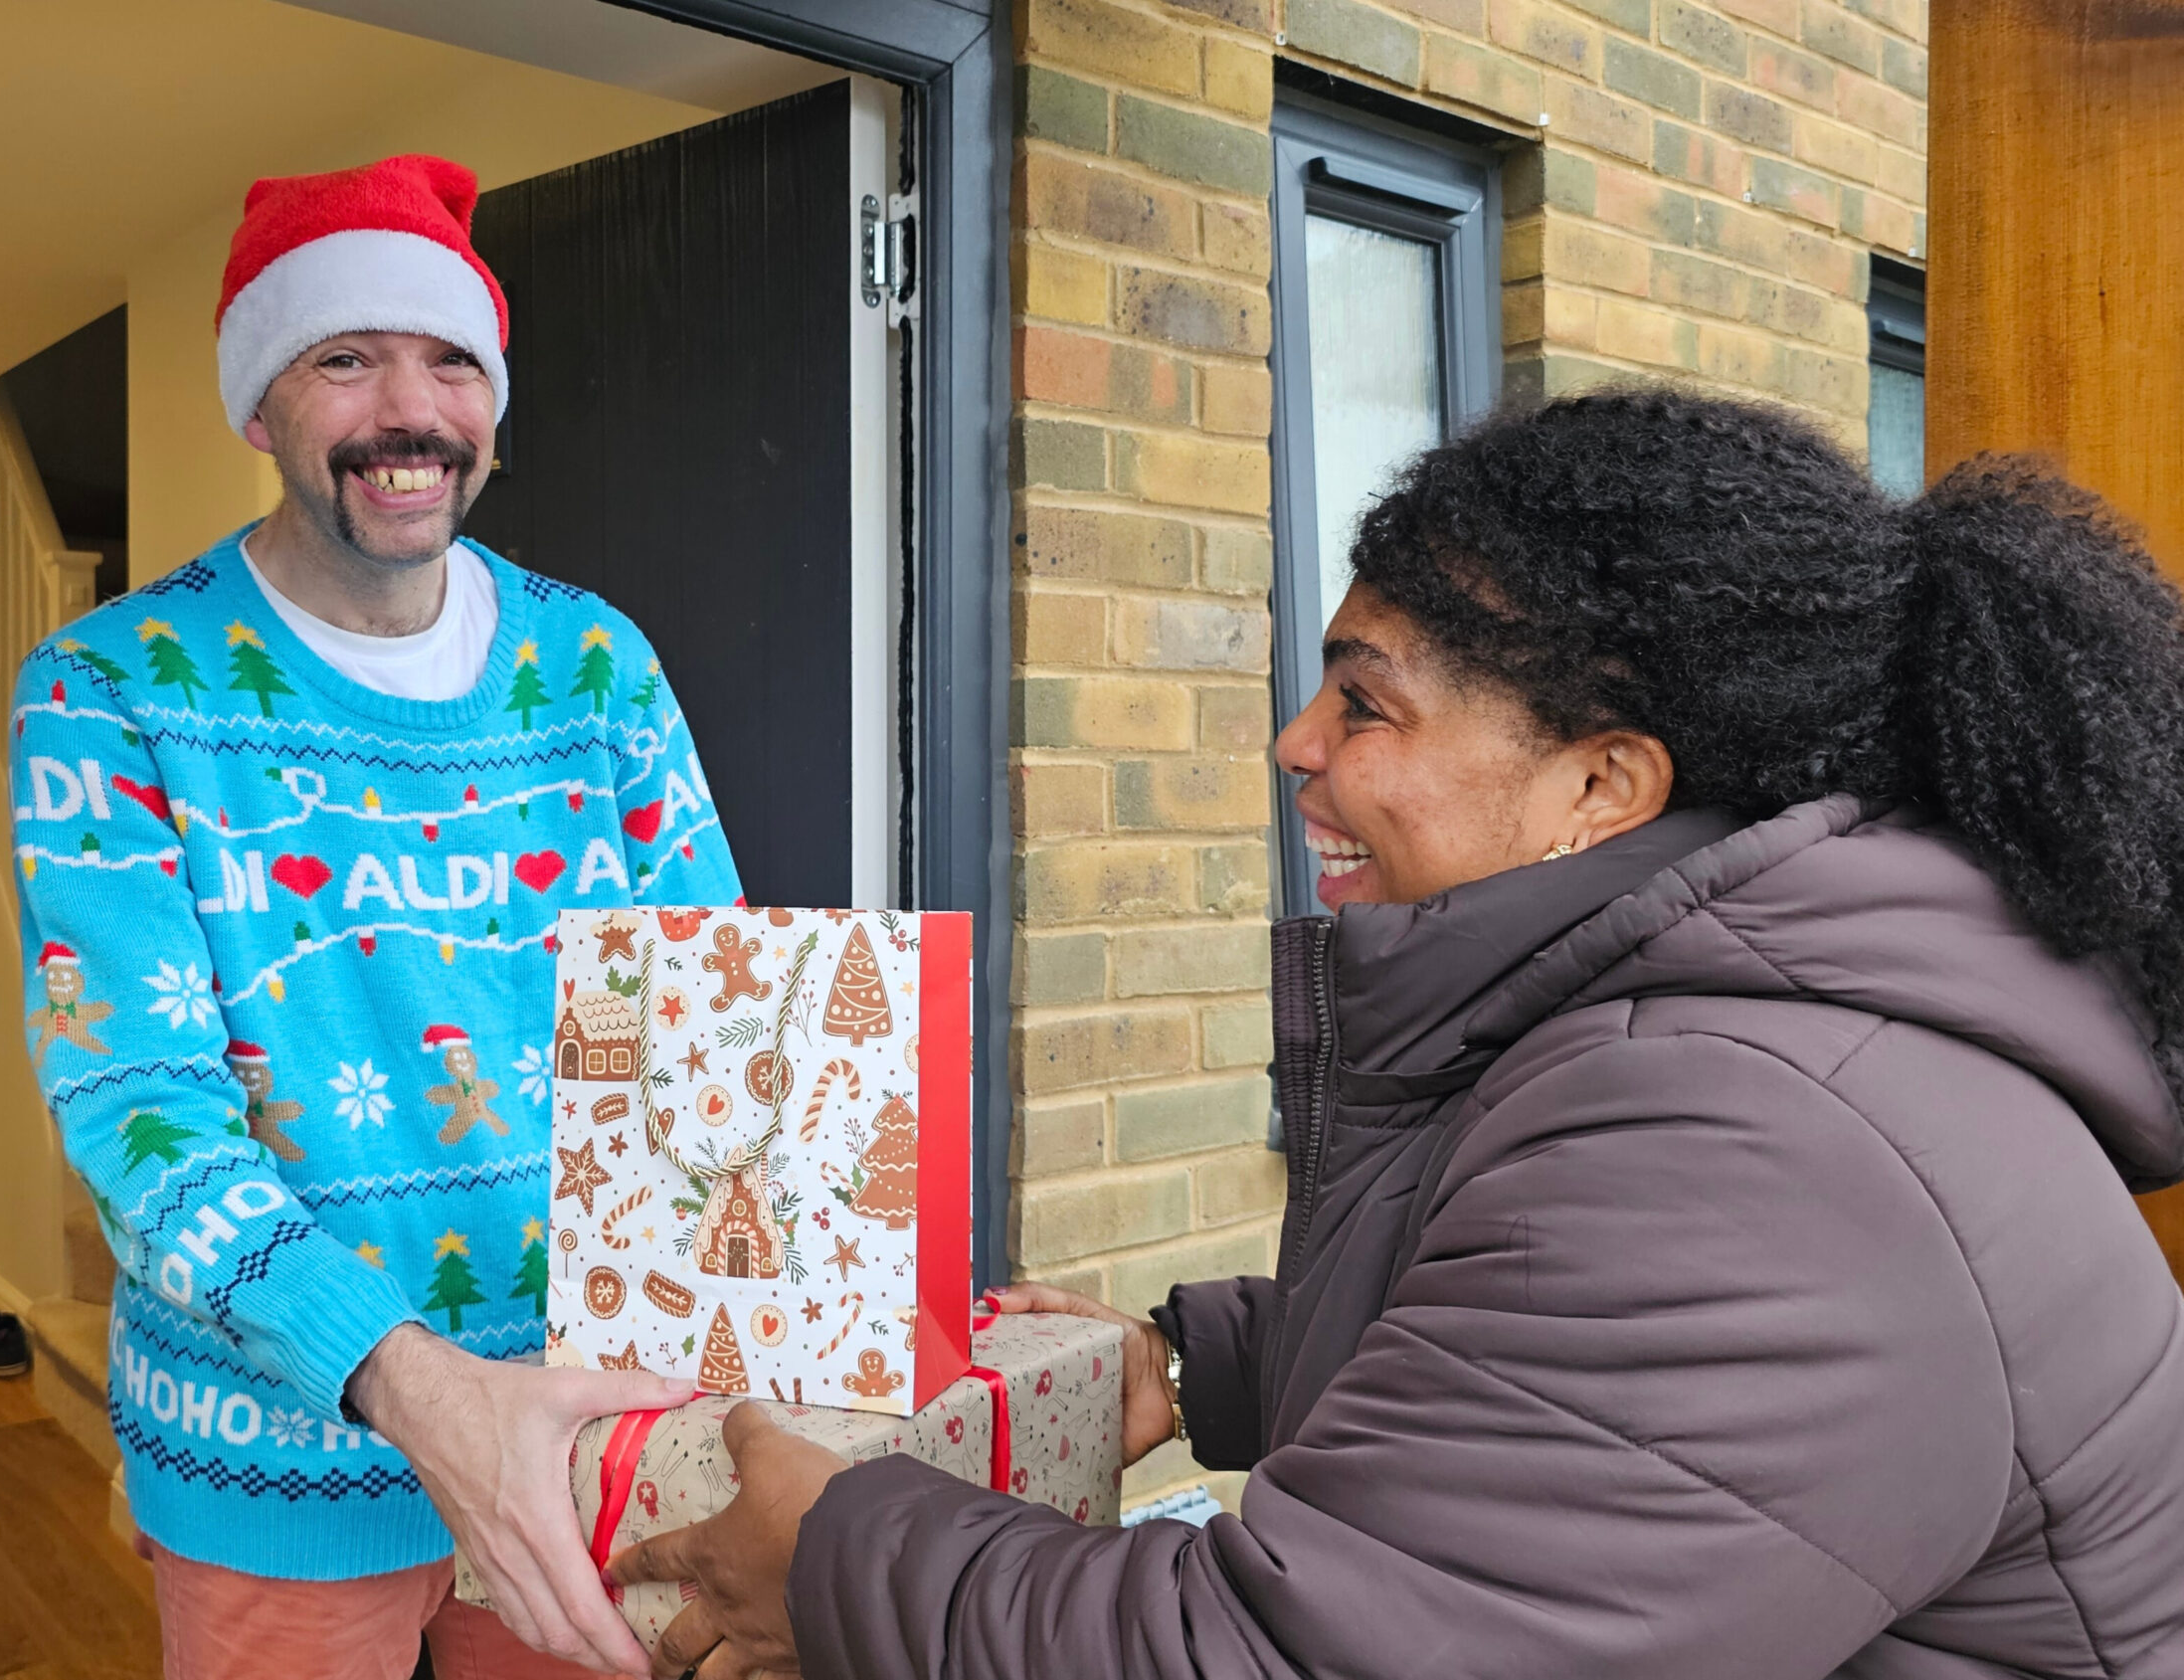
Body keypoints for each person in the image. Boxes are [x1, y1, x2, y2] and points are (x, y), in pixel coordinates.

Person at [617, 389, 2184, 1678]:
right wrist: (1195, 1356)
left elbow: (1294, 1659)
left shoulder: (1761, 1143)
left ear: (1601, 786)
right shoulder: (1718, 1039)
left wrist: (836, 1558)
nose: (1297, 746)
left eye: (1366, 705)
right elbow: (1543, 1352)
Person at [11, 154, 738, 1680]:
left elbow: (710, 1022)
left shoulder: (596, 669)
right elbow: (144, 1112)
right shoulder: (112, 693)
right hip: (267, 1462)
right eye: (345, 357)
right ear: (260, 398)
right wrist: (414, 1387)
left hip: (581, 1434)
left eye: (449, 359)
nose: (408, 411)